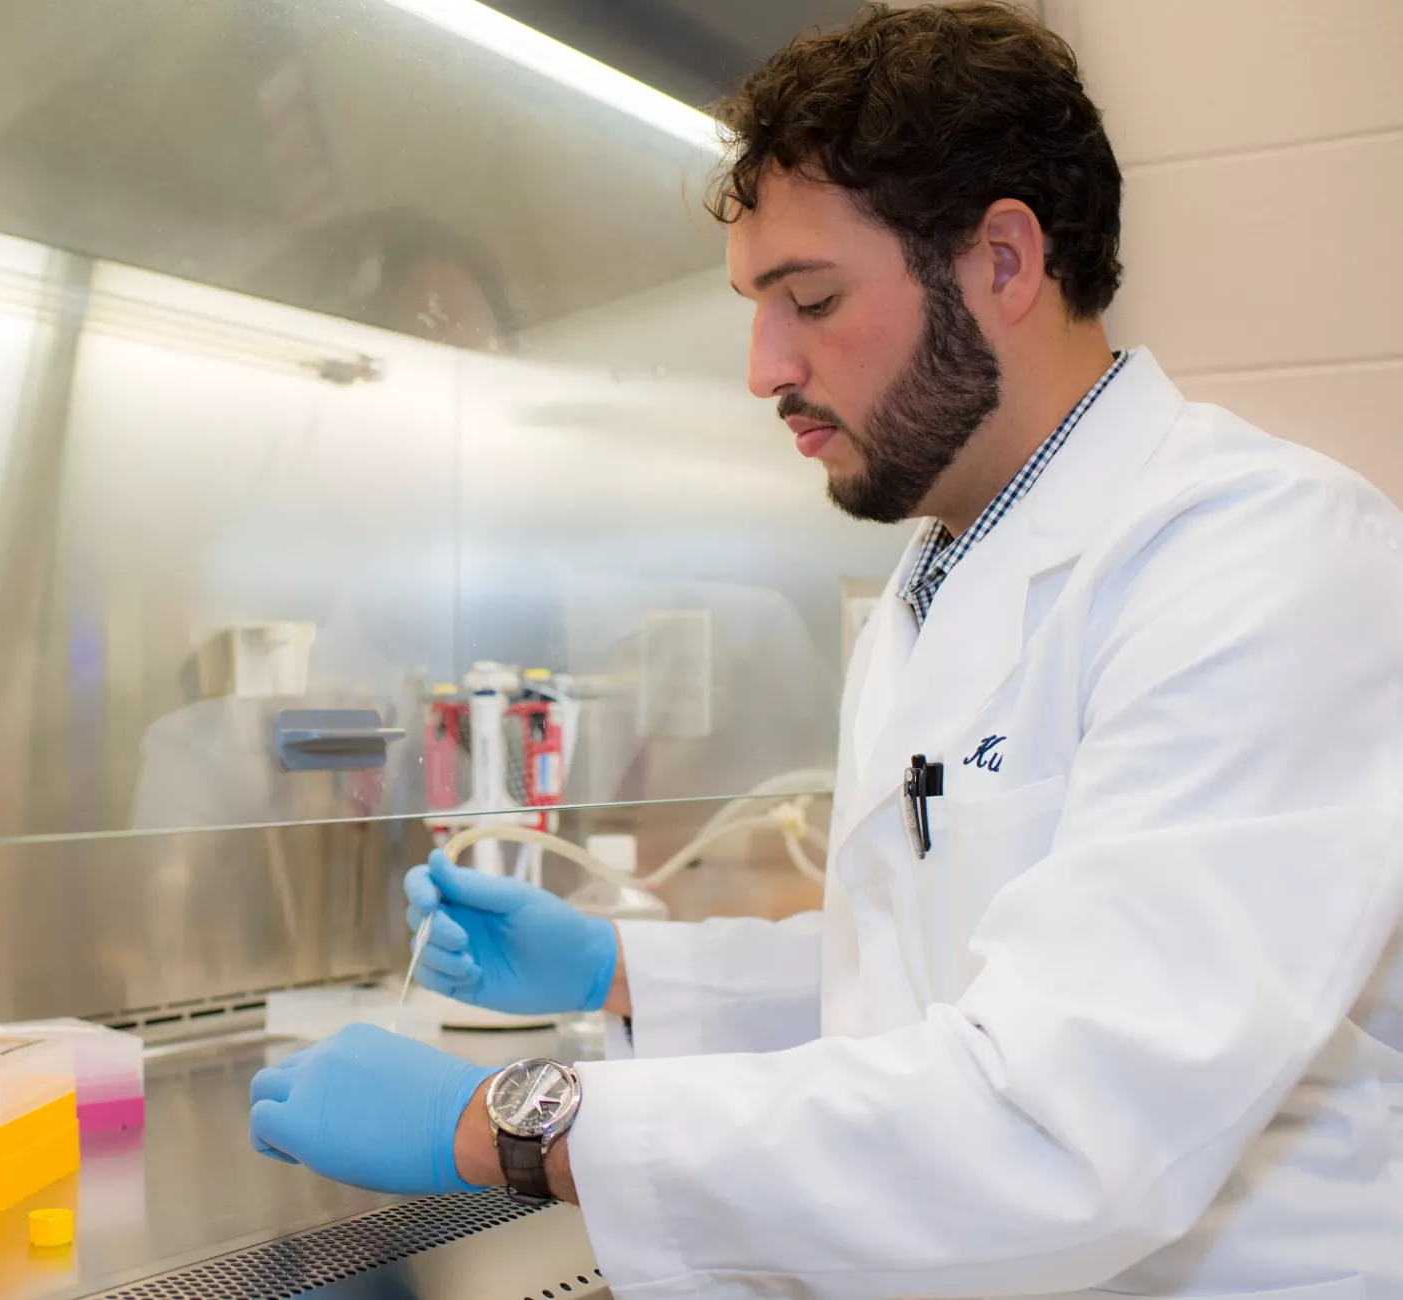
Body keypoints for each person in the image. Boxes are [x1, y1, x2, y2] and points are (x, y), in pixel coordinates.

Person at [247, 5, 1403, 1296]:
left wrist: (511, 1120)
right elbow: (926, 983)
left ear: (1004, 263)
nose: (763, 367)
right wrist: (628, 967)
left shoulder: (1263, 558)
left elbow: (1066, 1125)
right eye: (755, 306)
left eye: (810, 299)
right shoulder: (942, 571)